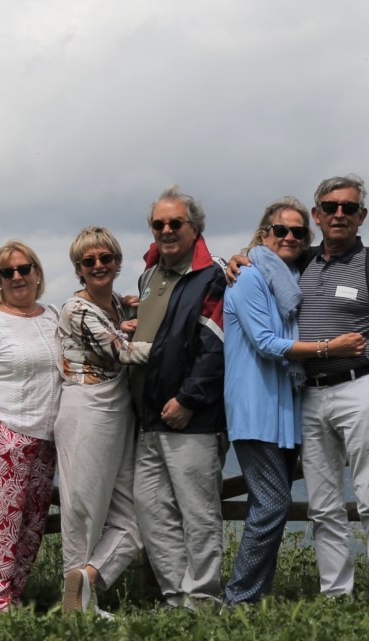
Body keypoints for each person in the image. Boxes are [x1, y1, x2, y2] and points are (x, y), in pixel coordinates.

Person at [222, 197, 365, 606]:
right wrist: (329, 348)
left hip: (284, 409)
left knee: (269, 505)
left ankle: (253, 596)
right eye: (280, 230)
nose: (289, 237)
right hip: (255, 407)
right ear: (264, 233)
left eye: (298, 232)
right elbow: (266, 343)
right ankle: (239, 600)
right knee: (273, 504)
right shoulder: (249, 277)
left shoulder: (290, 279)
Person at [297, 175, 369, 609]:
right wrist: (236, 260)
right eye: (330, 207)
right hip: (308, 393)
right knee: (322, 503)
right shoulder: (298, 261)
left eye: (348, 207)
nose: (338, 214)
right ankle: (335, 596)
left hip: (360, 387)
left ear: (362, 216)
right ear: (316, 215)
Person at [128, 186, 227, 610]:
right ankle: (176, 595)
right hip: (148, 415)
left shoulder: (212, 276)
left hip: (193, 417)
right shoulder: (149, 275)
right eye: (159, 224)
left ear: (195, 227)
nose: (166, 230)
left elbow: (215, 345)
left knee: (198, 512)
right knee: (150, 507)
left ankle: (202, 598)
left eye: (175, 223)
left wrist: (188, 399)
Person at [55, 226, 151, 618]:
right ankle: (78, 609)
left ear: (117, 261)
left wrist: (136, 310)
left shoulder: (117, 305)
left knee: (134, 518)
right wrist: (180, 340)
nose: (98, 265)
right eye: (88, 261)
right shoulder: (76, 310)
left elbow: (126, 325)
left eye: (105, 258)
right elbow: (122, 353)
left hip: (120, 413)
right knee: (83, 511)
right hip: (86, 411)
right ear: (78, 268)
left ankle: (85, 581)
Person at [0, 241, 61, 612]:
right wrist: (1, 437)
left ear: (37, 273)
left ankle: (13, 596)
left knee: (32, 524)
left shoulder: (53, 317)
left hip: (46, 438)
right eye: (8, 272)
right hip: (6, 436)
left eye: (24, 268)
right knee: (0, 525)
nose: (17, 276)